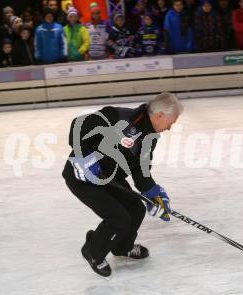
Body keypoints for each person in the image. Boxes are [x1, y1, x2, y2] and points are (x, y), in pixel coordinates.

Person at [62, 92, 183, 278]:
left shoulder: (149, 139)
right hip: (83, 177)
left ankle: (121, 247)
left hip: (110, 178)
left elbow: (140, 171)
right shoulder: (118, 116)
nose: (170, 128)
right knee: (118, 218)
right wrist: (82, 155)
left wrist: (154, 194)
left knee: (136, 208)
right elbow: (78, 126)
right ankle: (93, 251)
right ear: (160, 115)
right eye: (171, 122)